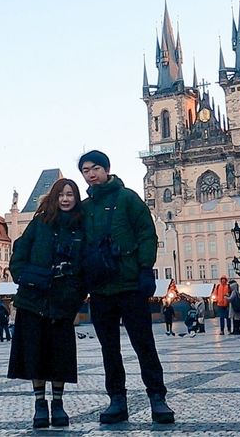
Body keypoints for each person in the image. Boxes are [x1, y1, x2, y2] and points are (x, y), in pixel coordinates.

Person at [79, 150, 174, 425]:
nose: (91, 174)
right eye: (86, 170)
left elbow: (147, 233)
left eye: (95, 168)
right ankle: (117, 400)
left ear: (107, 169)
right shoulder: (85, 209)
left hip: (130, 284)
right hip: (100, 289)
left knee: (144, 344)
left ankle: (157, 397)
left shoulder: (128, 198)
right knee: (109, 349)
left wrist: (145, 268)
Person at [8, 177, 88, 429]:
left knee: (59, 356)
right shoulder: (39, 223)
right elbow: (19, 252)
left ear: (76, 199)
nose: (65, 199)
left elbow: (84, 266)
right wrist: (22, 275)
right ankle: (40, 404)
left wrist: (76, 296)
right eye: (61, 195)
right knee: (36, 354)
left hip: (63, 302)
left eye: (70, 195)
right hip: (33, 300)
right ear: (54, 197)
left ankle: (58, 403)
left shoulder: (80, 227)